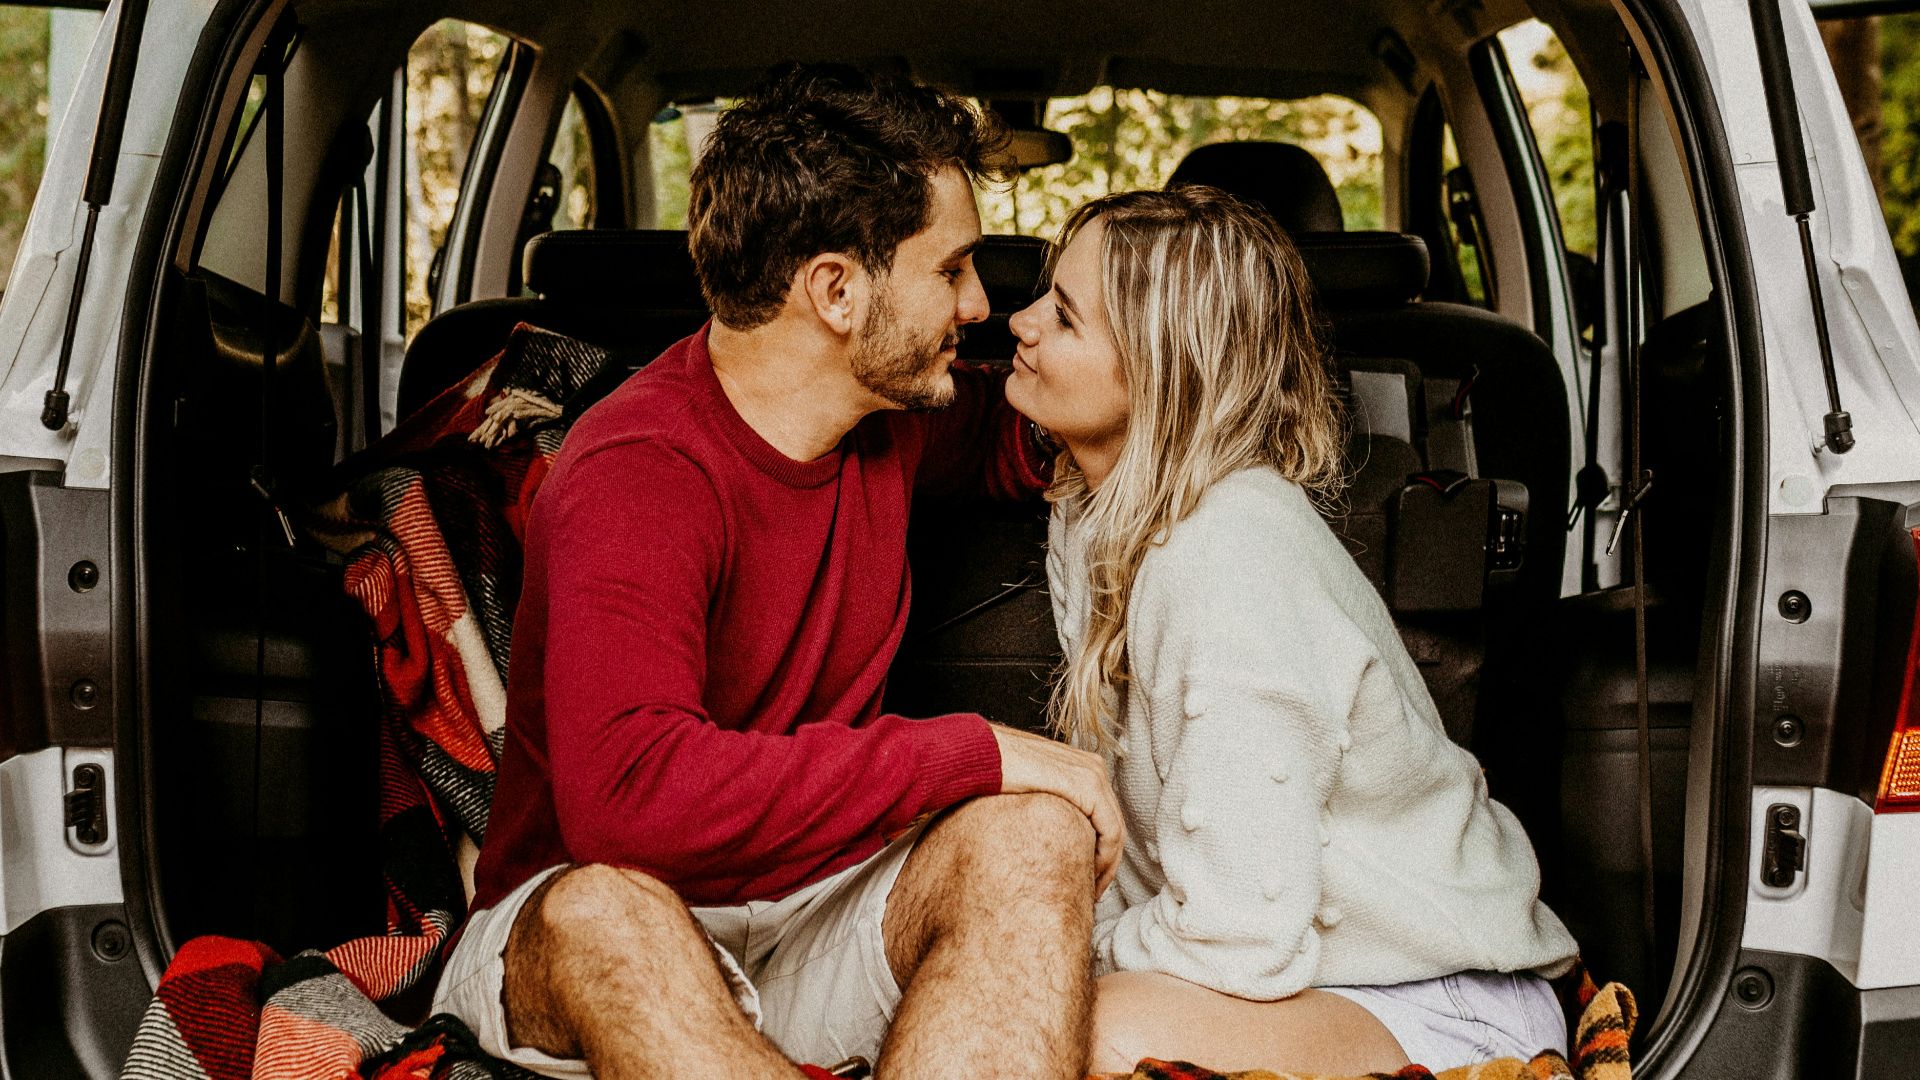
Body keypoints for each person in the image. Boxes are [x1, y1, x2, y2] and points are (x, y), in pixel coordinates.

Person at [430, 64, 1124, 1080]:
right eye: (952, 269)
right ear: (837, 290)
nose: (981, 302)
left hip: (810, 916)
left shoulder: (895, 420)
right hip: (597, 928)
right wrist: (969, 750)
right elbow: (630, 802)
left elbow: (1039, 437)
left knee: (1035, 839)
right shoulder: (638, 473)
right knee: (607, 912)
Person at [1004, 186, 1581, 1076]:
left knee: (1064, 1036)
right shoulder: (1093, 515)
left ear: (1163, 369)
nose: (1021, 321)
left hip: (1437, 992)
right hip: (1298, 975)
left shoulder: (1228, 557)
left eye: (1065, 317)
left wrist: (1047, 967)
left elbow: (1238, 939)